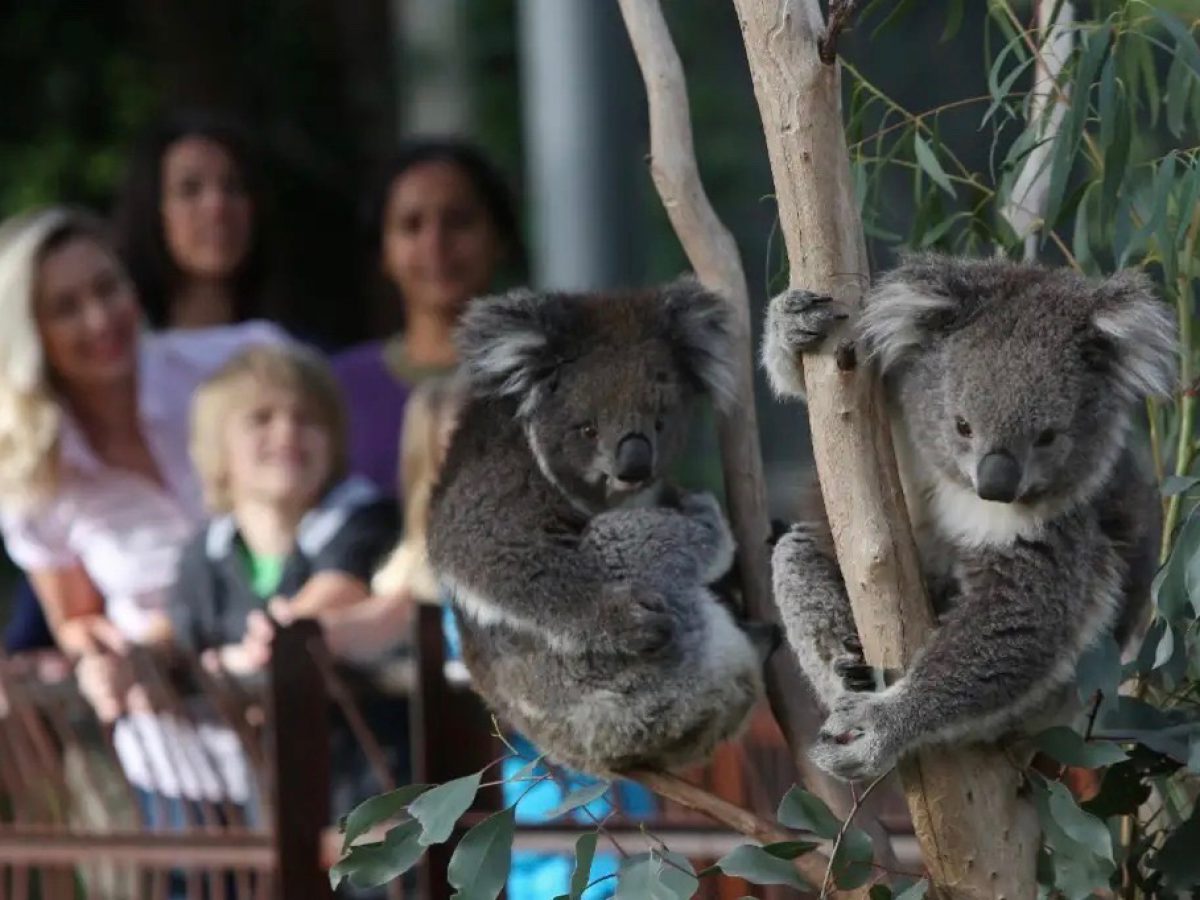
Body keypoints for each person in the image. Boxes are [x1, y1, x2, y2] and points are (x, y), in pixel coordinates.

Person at [0, 204, 285, 824]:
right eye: (66, 307)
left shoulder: (235, 366)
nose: (100, 318)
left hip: (307, 733)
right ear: (31, 335)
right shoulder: (29, 472)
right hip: (175, 766)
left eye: (108, 288)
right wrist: (96, 652)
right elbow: (76, 620)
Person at [331, 137, 526, 496]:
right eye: (411, 225)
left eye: (458, 221)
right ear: (383, 253)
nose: (435, 243)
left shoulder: (539, 381)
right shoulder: (339, 389)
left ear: (500, 239)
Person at [112, 109, 266, 331]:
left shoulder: (289, 350)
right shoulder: (124, 357)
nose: (217, 206)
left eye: (233, 186)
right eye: (190, 189)